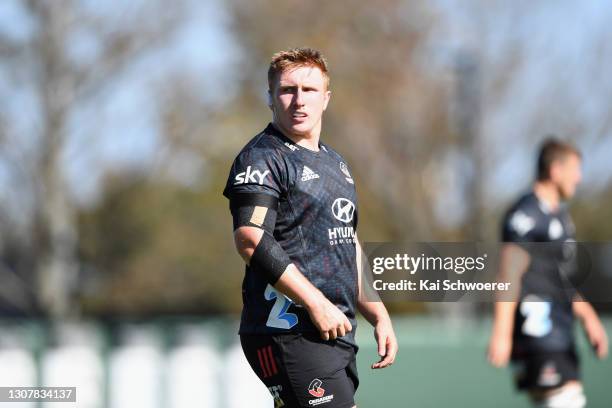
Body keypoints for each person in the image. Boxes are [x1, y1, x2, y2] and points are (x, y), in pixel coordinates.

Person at [223, 47, 398, 408]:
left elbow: (347, 242)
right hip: (287, 331)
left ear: (326, 98)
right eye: (287, 90)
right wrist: (315, 303)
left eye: (310, 90)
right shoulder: (262, 157)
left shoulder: (336, 163)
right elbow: (251, 239)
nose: (298, 100)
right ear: (270, 97)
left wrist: (378, 313)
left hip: (333, 331)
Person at [488, 139, 608, 408]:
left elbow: (559, 279)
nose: (579, 177)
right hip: (538, 332)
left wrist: (588, 317)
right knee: (566, 399)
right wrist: (502, 333)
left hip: (562, 330)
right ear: (555, 170)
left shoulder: (561, 218)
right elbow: (508, 273)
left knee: (567, 398)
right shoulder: (526, 214)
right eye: (575, 169)